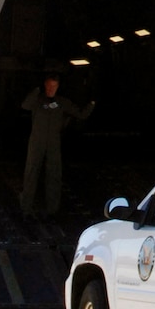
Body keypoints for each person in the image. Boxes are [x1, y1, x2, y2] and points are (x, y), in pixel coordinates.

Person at [20, 75, 92, 217]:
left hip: (53, 142)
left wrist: (92, 103)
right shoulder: (38, 100)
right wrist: (35, 91)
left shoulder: (62, 102)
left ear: (58, 87)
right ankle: (26, 207)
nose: (51, 89)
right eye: (49, 86)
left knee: (54, 175)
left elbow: (81, 114)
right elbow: (25, 105)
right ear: (45, 86)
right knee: (30, 174)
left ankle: (52, 209)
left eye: (54, 86)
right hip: (37, 142)